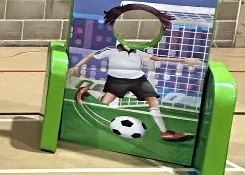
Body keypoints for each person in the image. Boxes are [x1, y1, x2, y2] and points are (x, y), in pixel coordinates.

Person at [70, 36, 199, 143]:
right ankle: (86, 90)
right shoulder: (110, 50)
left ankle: (164, 133)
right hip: (117, 80)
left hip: (138, 80)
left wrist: (184, 60)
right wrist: (76, 67)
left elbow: (157, 58)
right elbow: (90, 56)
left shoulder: (138, 52)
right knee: (105, 101)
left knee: (152, 100)